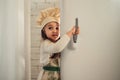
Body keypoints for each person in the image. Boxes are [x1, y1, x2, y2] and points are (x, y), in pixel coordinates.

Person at [37, 7, 80, 80]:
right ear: (44, 30)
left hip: (56, 75)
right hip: (47, 76)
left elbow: (63, 44)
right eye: (50, 28)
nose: (54, 31)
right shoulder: (45, 44)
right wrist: (70, 33)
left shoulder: (58, 42)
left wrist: (73, 35)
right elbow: (57, 48)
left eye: (57, 28)